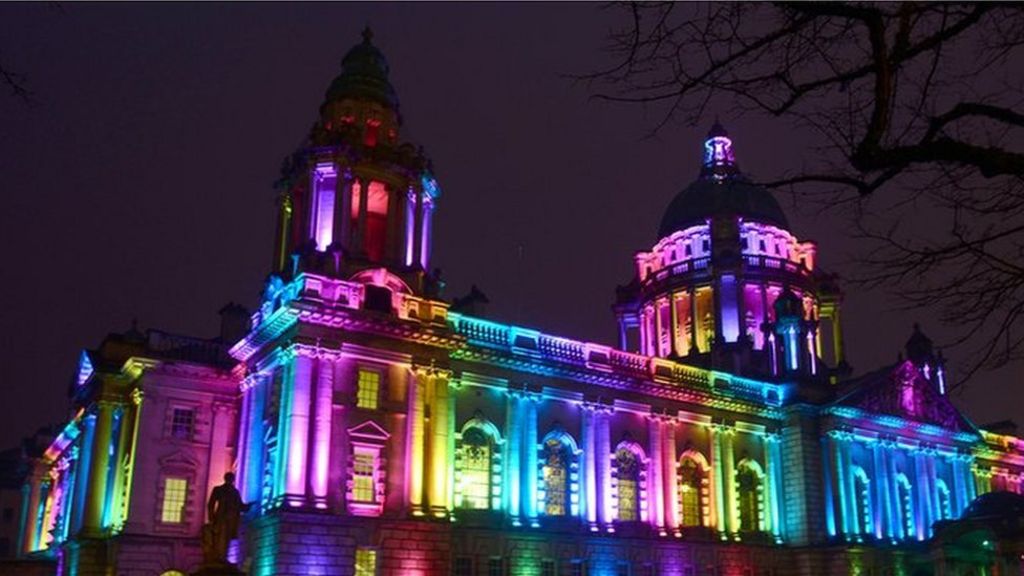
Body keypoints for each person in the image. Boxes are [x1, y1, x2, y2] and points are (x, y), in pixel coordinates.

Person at [205, 472, 251, 565]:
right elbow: (211, 504)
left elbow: (241, 506)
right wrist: (211, 518)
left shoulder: (235, 492)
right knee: (218, 539)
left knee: (227, 539)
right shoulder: (218, 489)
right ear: (226, 479)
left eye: (231, 479)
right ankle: (218, 557)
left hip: (231, 520)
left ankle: (223, 557)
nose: (231, 480)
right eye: (229, 478)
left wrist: (248, 506)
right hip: (220, 518)